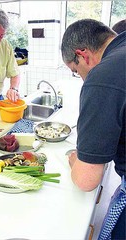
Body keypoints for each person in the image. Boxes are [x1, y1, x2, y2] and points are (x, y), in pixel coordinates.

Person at [61, 19, 125, 239]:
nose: (80, 77)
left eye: (75, 69)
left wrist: (74, 160)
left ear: (83, 55)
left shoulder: (103, 76)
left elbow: (86, 180)